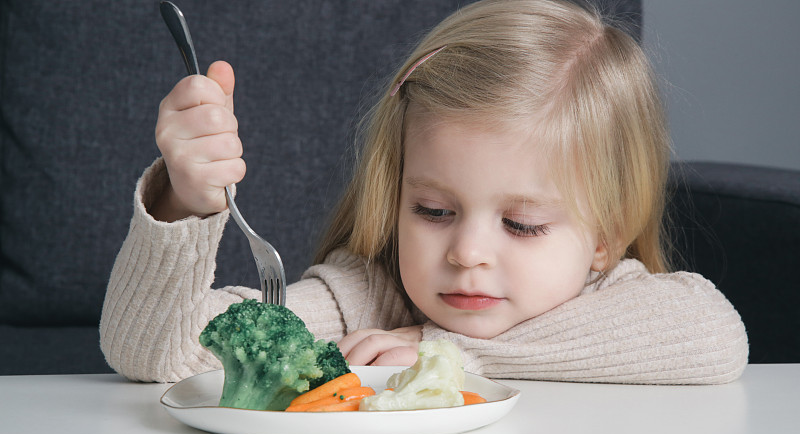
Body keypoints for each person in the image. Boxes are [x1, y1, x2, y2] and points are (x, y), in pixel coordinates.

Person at [100, 0, 747, 384]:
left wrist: (443, 351)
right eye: (434, 211)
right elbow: (162, 353)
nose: (467, 252)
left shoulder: (624, 303)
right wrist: (185, 204)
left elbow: (717, 339)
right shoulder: (365, 300)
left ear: (604, 236)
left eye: (521, 223)